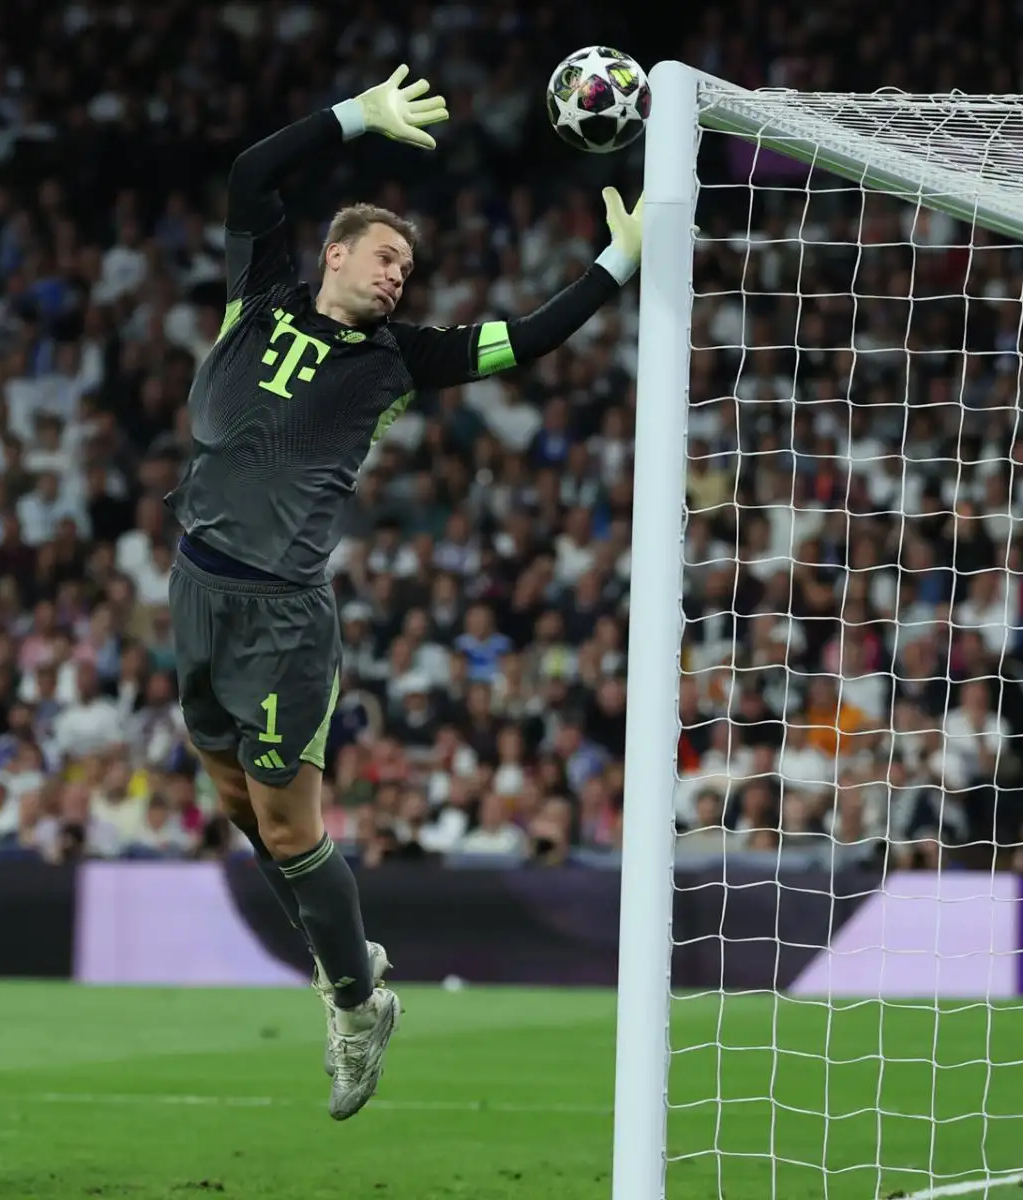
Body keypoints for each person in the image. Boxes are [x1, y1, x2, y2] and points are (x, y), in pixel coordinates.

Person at [165, 65, 644, 1120]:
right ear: (335, 253)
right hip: (195, 590)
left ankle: (353, 1000)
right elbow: (250, 174)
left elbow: (527, 337)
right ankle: (345, 952)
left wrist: (618, 260)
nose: (398, 278)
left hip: (285, 617)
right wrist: (351, 116)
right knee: (236, 804)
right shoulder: (259, 296)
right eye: (386, 257)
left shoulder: (399, 360)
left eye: (409, 268)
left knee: (291, 829)